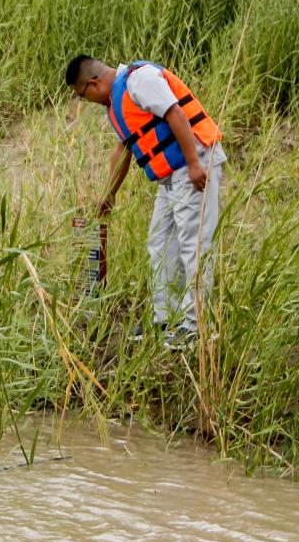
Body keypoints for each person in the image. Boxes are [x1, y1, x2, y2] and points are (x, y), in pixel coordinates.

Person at [65, 55, 226, 351]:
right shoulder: (115, 105)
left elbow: (175, 113)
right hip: (170, 175)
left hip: (194, 163)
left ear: (93, 84)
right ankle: (165, 318)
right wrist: (108, 195)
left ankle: (198, 327)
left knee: (194, 246)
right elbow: (124, 151)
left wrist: (193, 163)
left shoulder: (139, 80)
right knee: (160, 243)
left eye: (81, 95)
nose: (84, 100)